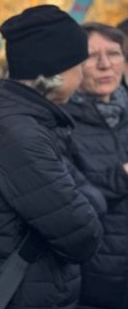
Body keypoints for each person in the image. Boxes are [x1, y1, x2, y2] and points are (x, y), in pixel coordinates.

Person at [0, 4, 105, 308]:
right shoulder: (19, 135)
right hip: (20, 295)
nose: (84, 71)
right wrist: (91, 200)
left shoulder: (23, 123)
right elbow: (83, 235)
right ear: (56, 72)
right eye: (79, 63)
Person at [65, 23, 128, 309]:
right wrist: (123, 175)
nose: (105, 65)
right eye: (92, 56)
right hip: (94, 280)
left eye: (114, 54)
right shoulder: (62, 123)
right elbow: (68, 199)